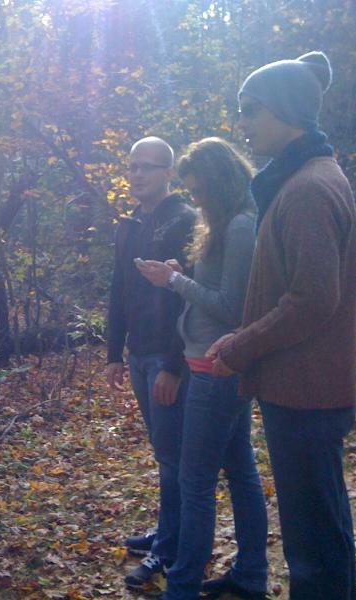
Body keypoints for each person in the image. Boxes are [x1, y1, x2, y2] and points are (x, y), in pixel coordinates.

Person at [207, 52, 356, 600]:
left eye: (252, 110)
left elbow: (314, 298)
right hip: (305, 388)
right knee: (322, 530)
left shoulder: (307, 189)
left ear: (289, 111)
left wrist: (243, 344)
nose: (242, 124)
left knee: (313, 544)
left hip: (305, 392)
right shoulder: (306, 179)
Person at [137, 138, 268, 600]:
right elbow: (213, 288)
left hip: (216, 368)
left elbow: (234, 309)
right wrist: (181, 273)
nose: (194, 199)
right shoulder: (222, 224)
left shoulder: (239, 227)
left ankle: (183, 585)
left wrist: (174, 280)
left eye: (199, 190)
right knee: (241, 473)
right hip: (206, 363)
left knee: (195, 483)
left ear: (220, 183)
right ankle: (251, 575)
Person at [105, 137, 196, 589]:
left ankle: (170, 550)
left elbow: (192, 304)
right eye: (132, 165)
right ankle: (168, 531)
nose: (137, 173)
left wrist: (175, 366)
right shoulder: (128, 226)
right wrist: (112, 354)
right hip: (138, 354)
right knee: (165, 453)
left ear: (168, 172)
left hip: (167, 357)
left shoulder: (185, 221)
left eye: (147, 166)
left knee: (173, 456)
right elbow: (119, 290)